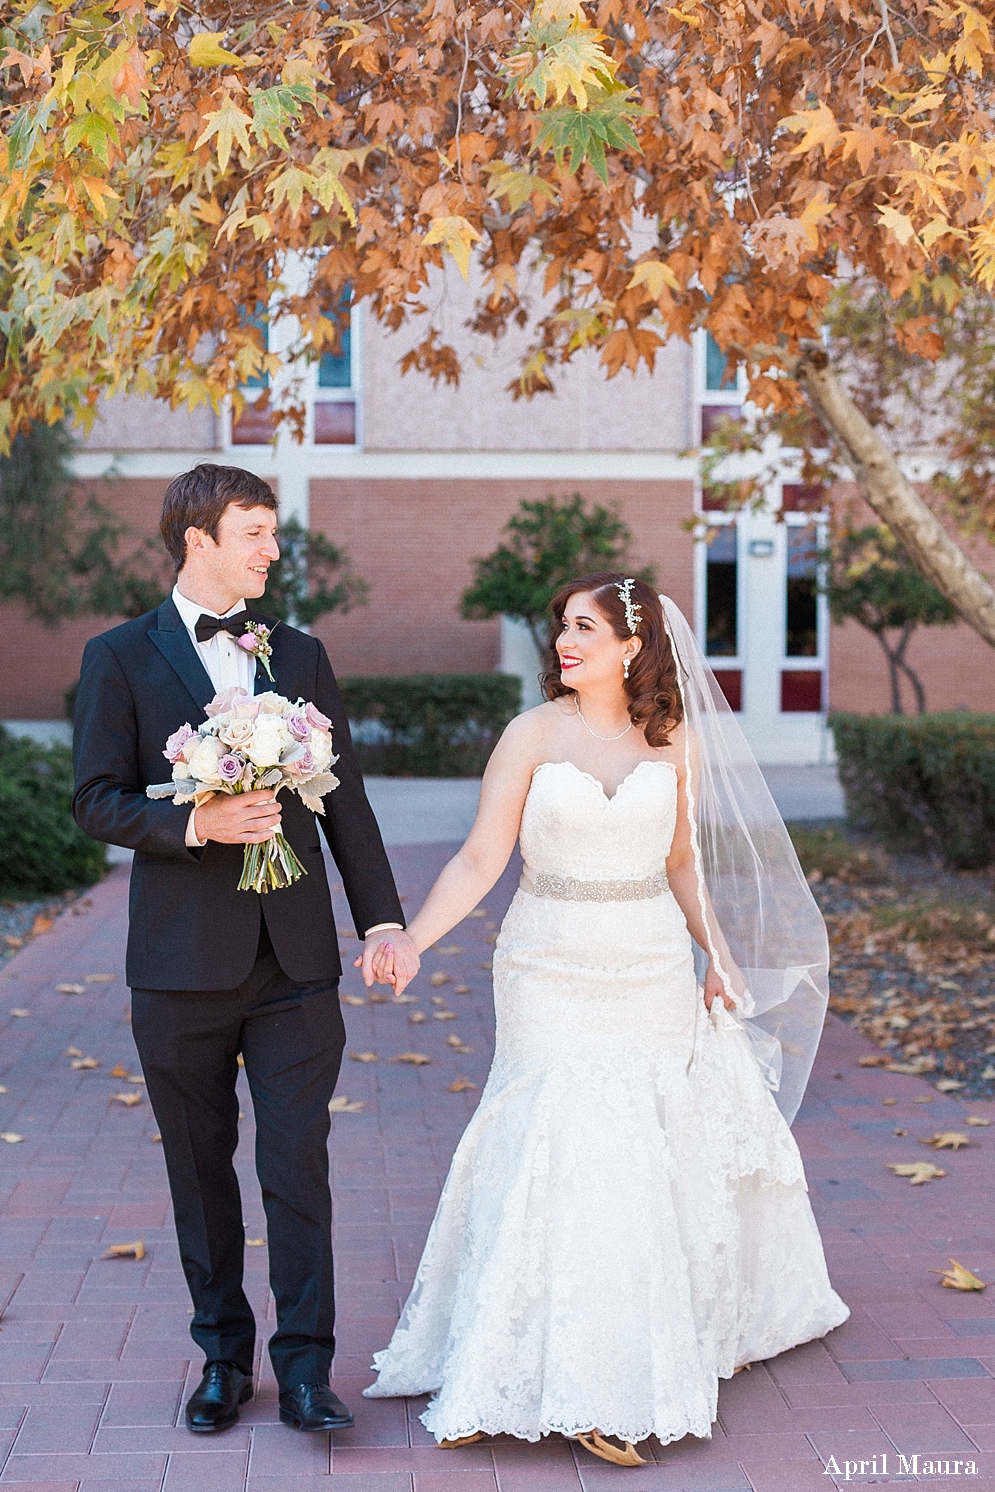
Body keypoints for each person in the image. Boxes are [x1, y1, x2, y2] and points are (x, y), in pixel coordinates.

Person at [363, 573, 849, 1466]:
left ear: (632, 647)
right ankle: (497, 1357)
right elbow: (480, 856)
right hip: (546, 960)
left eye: (583, 627)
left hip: (650, 964)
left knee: (628, 1154)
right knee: (547, 1135)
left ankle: (614, 1377)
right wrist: (417, 938)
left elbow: (681, 866)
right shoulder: (530, 734)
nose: (565, 641)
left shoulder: (674, 743)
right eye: (562, 627)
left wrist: (719, 957)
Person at [72, 464, 419, 1435]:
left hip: (294, 960)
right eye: (255, 531)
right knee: (199, 1165)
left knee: (296, 1164)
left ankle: (306, 1368)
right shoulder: (119, 657)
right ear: (199, 540)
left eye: (273, 532)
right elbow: (94, 798)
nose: (272, 549)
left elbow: (344, 797)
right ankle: (222, 1356)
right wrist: (198, 824)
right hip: (177, 967)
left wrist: (381, 919)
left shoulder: (300, 654)